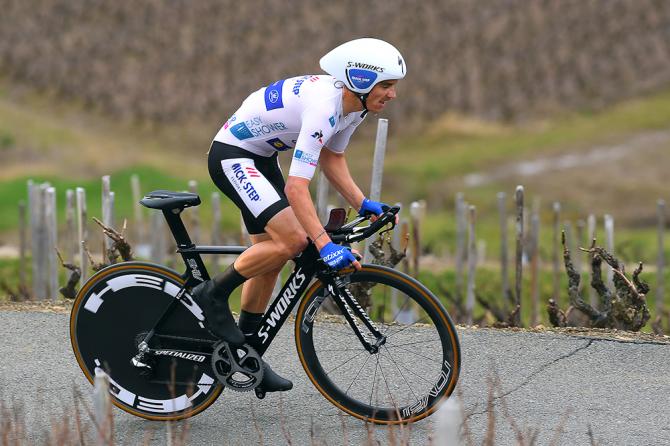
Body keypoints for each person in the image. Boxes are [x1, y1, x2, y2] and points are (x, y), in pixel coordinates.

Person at [193, 38, 406, 393]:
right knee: (293, 240)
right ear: (360, 81)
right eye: (386, 85)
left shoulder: (354, 106)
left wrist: (363, 201)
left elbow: (332, 157)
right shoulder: (325, 107)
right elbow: (296, 188)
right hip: (234, 156)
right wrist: (324, 245)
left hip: (261, 158)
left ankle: (243, 353)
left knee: (270, 259)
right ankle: (212, 295)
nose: (393, 95)